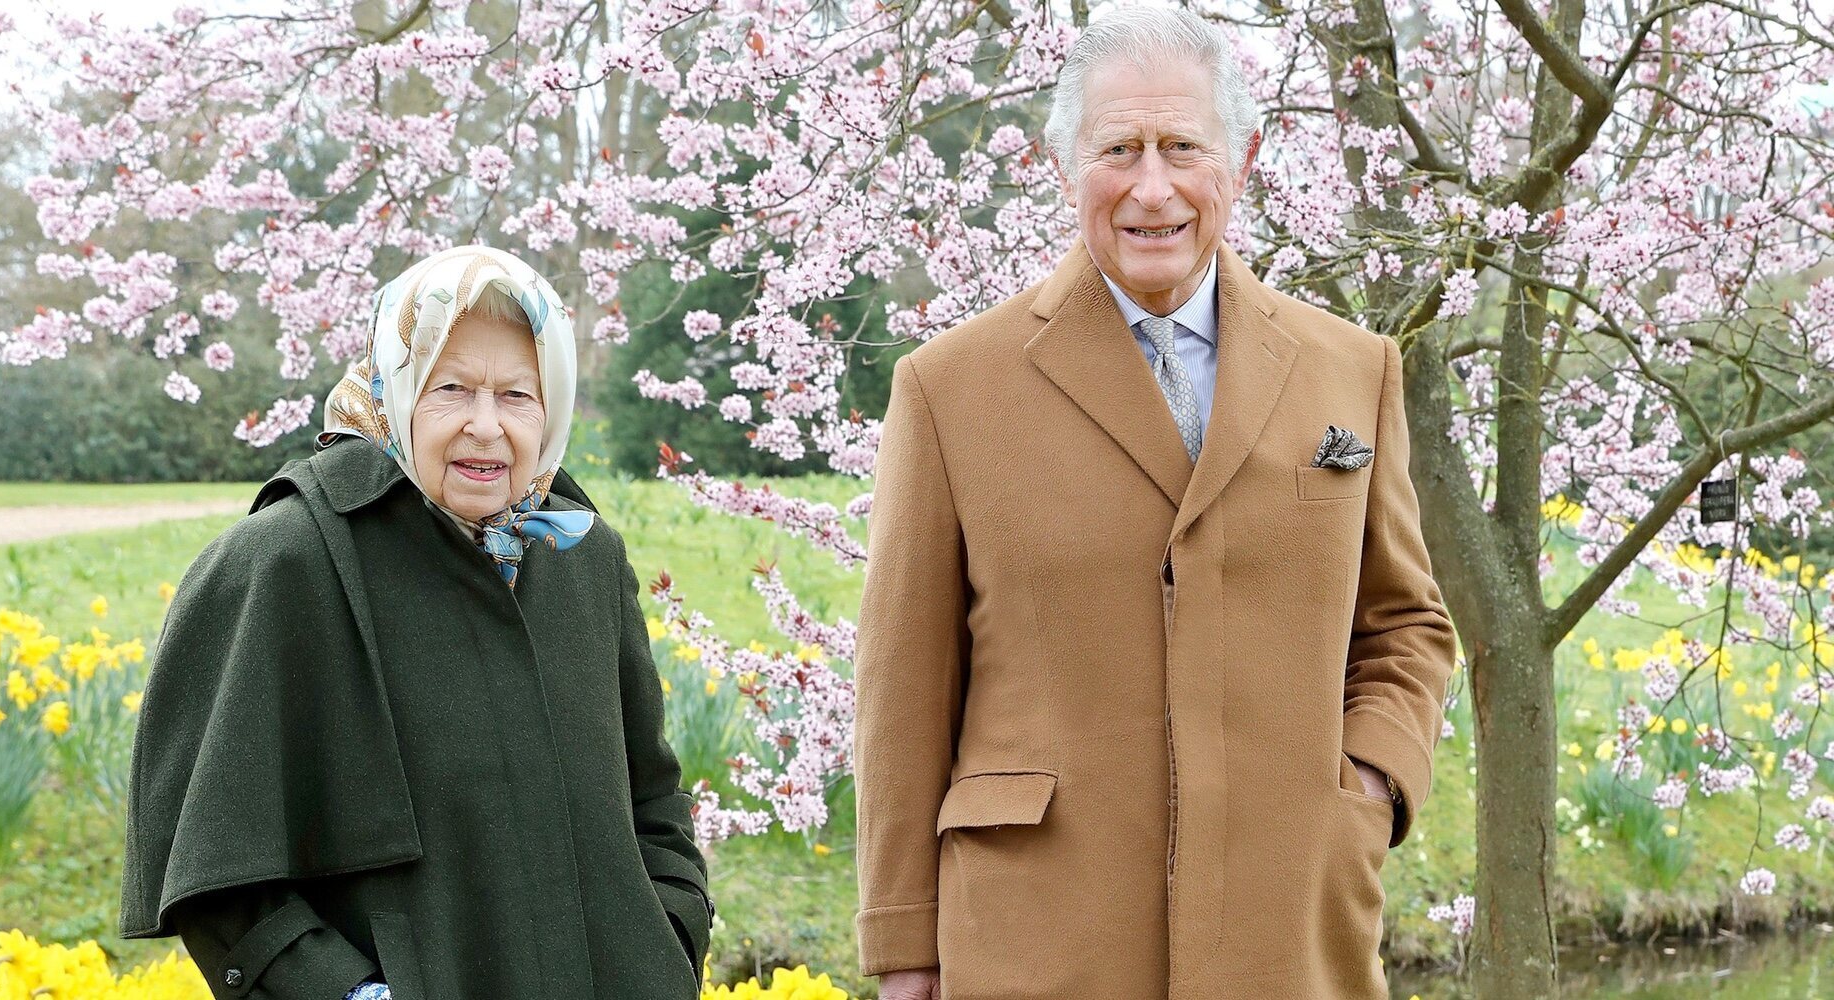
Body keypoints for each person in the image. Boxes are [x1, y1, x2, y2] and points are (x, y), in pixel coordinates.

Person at [852, 7, 1457, 999]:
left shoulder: (1356, 372)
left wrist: (1368, 784)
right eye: (1116, 150)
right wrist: (903, 948)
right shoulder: (946, 389)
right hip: (1034, 938)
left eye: (1181, 147)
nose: (1150, 187)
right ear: (1061, 165)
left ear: (1241, 158)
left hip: (1289, 927)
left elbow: (1403, 625)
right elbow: (902, 687)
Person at [121, 246, 711, 1000]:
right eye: (451, 388)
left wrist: (670, 932)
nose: (486, 426)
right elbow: (213, 864)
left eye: (517, 395)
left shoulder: (581, 554)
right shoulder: (287, 560)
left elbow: (653, 797)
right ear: (395, 386)